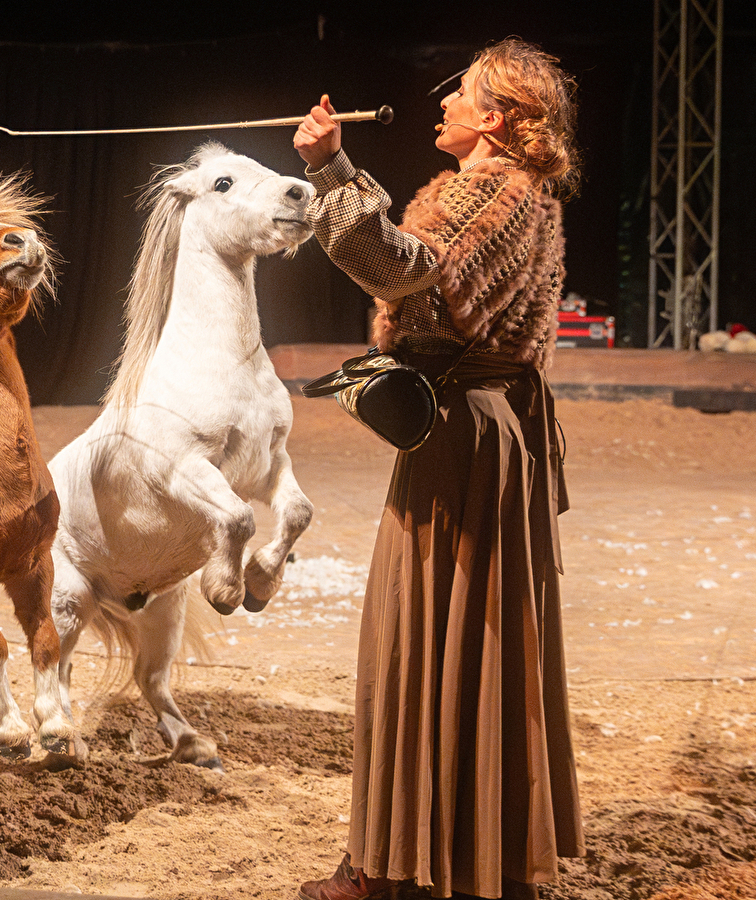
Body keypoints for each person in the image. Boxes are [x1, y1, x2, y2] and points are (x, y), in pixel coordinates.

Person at [292, 37, 583, 900]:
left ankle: (396, 867)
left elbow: (397, 268)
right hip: (481, 433)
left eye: (459, 95)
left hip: (462, 439)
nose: (442, 104)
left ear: (495, 118)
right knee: (460, 635)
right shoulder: (513, 191)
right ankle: (454, 851)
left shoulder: (488, 190)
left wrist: (332, 169)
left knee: (421, 630)